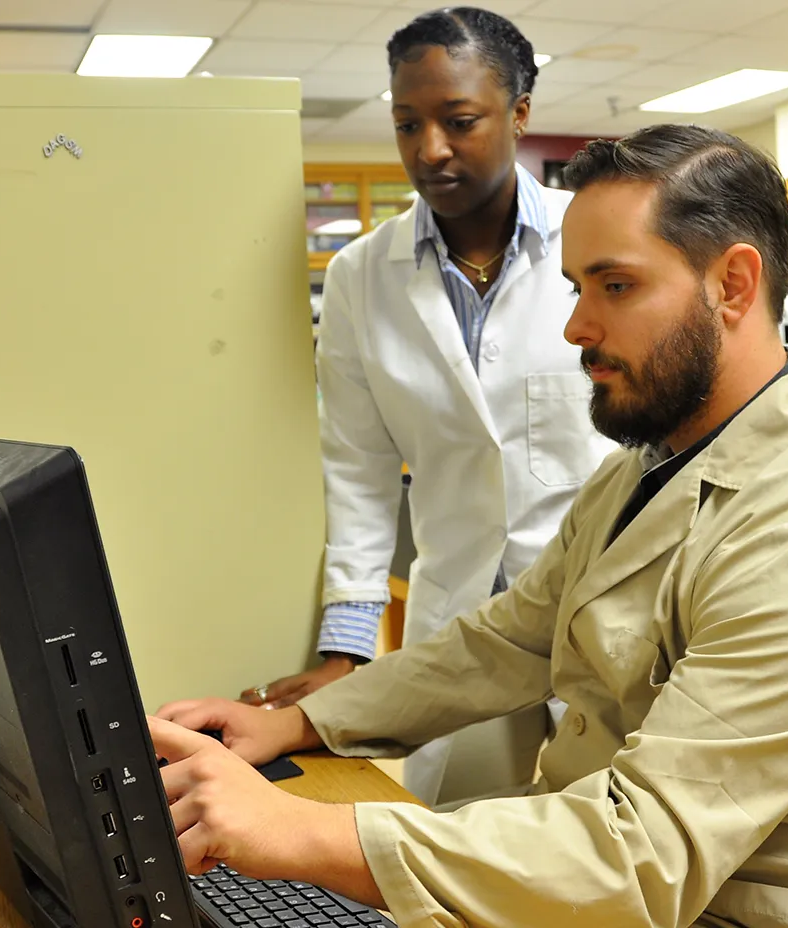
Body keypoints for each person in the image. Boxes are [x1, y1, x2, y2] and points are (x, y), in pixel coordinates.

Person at [153, 125, 788, 928]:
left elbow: (639, 855)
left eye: (615, 287)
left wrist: (302, 831)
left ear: (734, 286)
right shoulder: (644, 467)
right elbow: (510, 640)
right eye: (577, 287)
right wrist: (296, 722)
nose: (575, 326)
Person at [238, 7, 614, 807]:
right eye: (408, 124)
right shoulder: (359, 276)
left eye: (460, 120)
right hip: (462, 621)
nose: (429, 149)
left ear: (519, 114)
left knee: (614, 845)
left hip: (603, 607)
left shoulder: (597, 248)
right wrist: (350, 650)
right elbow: (359, 470)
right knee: (466, 854)